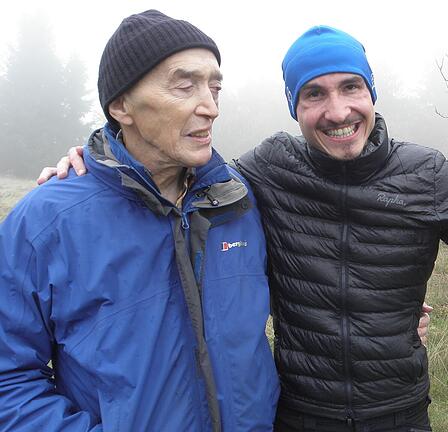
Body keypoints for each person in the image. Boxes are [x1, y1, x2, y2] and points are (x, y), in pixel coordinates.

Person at [41, 25, 448, 431]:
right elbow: (174, 167)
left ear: (371, 94)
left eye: (351, 88)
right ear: (294, 106)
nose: (337, 110)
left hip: (399, 411)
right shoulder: (267, 169)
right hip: (299, 413)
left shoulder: (425, 172)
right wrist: (94, 160)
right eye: (314, 94)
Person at [0, 10, 279, 431]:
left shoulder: (239, 200)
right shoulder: (45, 222)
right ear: (121, 106)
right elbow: (9, 380)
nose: (210, 107)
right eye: (185, 86)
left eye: (215, 87)